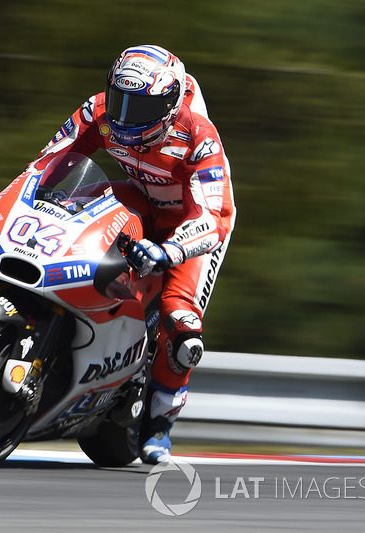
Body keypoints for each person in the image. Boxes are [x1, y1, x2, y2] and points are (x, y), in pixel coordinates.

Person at [25, 45, 236, 463]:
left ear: (171, 104)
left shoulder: (199, 138)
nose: (123, 117)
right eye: (121, 101)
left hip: (192, 227)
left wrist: (171, 250)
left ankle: (159, 422)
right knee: (73, 215)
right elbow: (47, 165)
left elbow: (212, 216)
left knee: (182, 322)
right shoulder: (98, 111)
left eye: (140, 107)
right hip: (139, 198)